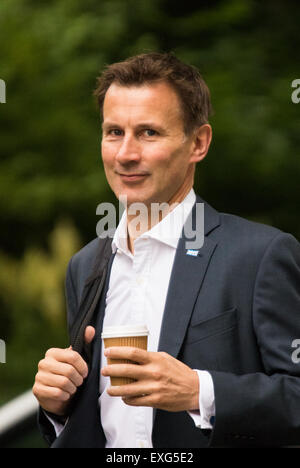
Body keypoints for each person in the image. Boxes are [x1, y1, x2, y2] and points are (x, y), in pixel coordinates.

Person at [33, 52, 300, 448]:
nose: (125, 154)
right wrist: (57, 405)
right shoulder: (85, 264)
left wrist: (199, 391)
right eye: (113, 132)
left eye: (148, 133)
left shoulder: (261, 255)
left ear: (198, 143)